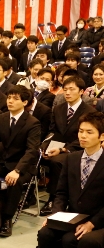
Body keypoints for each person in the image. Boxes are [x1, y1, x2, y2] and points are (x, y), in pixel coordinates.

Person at [34, 111, 104, 248]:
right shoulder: (72, 158)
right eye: (81, 131)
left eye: (89, 132)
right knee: (45, 234)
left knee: (72, 240)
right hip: (72, 216)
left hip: (96, 218)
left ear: (101, 136)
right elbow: (61, 193)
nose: (83, 136)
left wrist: (92, 223)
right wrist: (55, 215)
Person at [0, 85, 41, 237]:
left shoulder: (32, 122)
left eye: (15, 99)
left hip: (22, 166)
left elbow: (32, 151)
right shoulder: (1, 118)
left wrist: (17, 170)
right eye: (9, 97)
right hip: (1, 162)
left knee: (14, 182)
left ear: (25, 102)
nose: (10, 101)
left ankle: (6, 219)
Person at [41, 76, 96, 215]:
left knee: (57, 161)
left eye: (71, 89)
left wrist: (64, 149)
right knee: (36, 155)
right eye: (65, 89)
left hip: (79, 148)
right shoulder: (58, 108)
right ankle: (28, 194)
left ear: (81, 91)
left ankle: (54, 198)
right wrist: (45, 146)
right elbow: (52, 131)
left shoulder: (89, 111)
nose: (67, 92)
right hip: (58, 145)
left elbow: (86, 137)